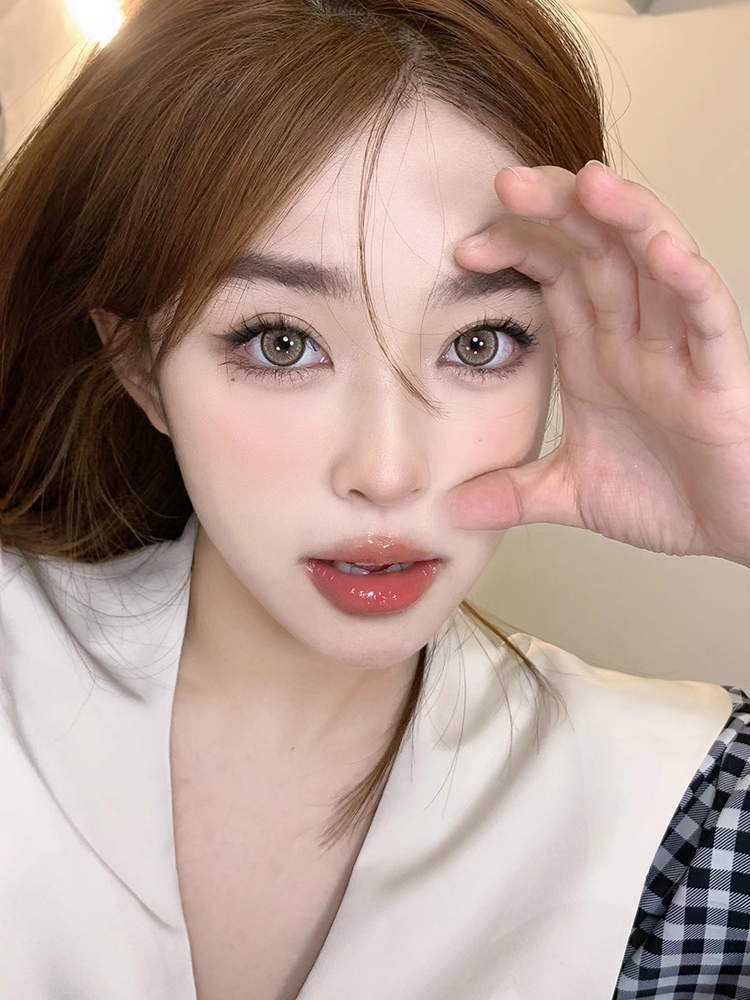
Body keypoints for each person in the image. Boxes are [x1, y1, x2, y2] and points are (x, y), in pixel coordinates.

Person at [0, 1, 748, 998]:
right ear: (140, 368)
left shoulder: (685, 807)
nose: (388, 472)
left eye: (480, 342)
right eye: (281, 342)